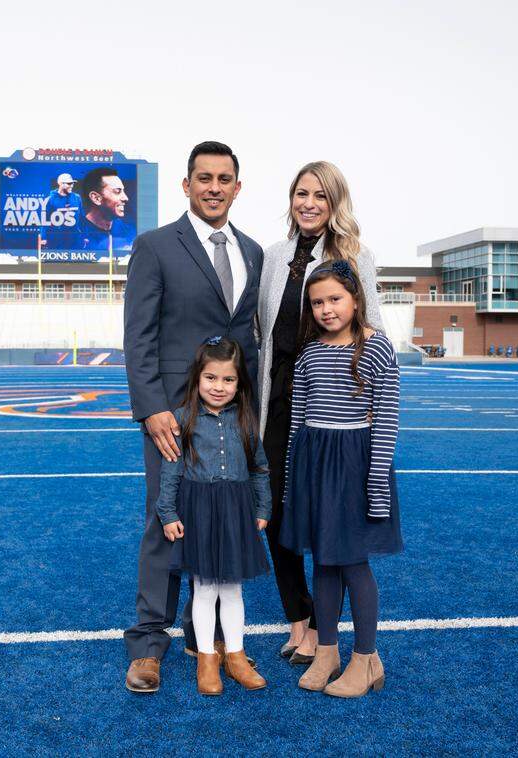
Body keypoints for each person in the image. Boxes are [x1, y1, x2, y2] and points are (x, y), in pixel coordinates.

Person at [123, 141, 264, 694]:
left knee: (218, 517)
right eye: (203, 177)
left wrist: (252, 417)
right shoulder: (156, 246)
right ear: (186, 185)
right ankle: (148, 644)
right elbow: (139, 335)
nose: (213, 187)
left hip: (233, 416)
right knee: (166, 520)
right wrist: (153, 407)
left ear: (237, 185)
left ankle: (199, 634)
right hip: (175, 415)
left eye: (224, 178)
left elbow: (247, 340)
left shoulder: (251, 250)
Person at [255, 160, 383, 665]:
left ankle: (330, 637)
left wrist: (367, 413)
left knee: (329, 517)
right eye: (300, 193)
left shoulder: (355, 256)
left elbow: (373, 331)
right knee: (278, 514)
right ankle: (300, 624)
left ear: (336, 204)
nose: (308, 203)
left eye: (320, 196)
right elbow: (262, 334)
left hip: (333, 407)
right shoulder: (273, 256)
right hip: (278, 399)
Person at [281, 260, 403, 697]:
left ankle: (365, 659)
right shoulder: (310, 353)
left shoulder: (377, 348)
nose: (326, 309)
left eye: (335, 299)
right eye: (317, 302)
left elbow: (386, 422)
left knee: (353, 563)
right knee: (323, 562)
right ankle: (327, 650)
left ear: (355, 299)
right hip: (315, 465)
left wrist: (376, 487)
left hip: (354, 466)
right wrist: (294, 483)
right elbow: (298, 421)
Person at [157, 336, 271, 695]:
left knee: (233, 588)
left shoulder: (247, 420)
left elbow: (259, 468)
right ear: (197, 378)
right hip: (200, 510)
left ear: (239, 383)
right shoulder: (183, 418)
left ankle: (235, 654)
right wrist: (167, 512)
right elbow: (171, 471)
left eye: (228, 380)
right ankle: (207, 658)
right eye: (211, 378)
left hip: (236, 509)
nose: (218, 387)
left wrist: (262, 508)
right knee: (205, 588)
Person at [77, 167, 134, 252]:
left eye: (123, 191)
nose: (125, 198)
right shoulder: (77, 234)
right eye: (117, 191)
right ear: (96, 198)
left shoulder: (130, 233)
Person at [40, 172, 83, 250]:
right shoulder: (50, 200)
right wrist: (43, 238)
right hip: (56, 239)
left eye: (72, 183)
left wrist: (85, 235)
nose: (72, 186)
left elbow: (81, 218)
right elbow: (45, 221)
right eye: (69, 184)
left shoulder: (77, 198)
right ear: (61, 184)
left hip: (74, 238)